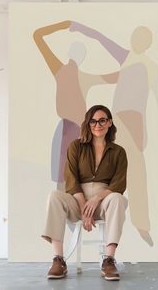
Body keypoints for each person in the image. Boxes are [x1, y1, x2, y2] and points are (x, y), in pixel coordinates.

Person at [70, 22, 158, 246]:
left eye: (142, 38)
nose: (137, 40)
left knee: (137, 172)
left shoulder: (151, 66)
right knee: (111, 166)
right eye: (136, 36)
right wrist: (80, 27)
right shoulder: (126, 57)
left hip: (134, 122)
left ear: (147, 43)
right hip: (116, 119)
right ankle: (98, 211)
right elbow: (101, 38)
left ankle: (142, 224)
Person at [42, 105, 128, 281]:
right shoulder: (76, 146)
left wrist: (97, 198)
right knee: (54, 196)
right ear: (88, 124)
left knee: (118, 198)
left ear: (110, 122)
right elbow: (71, 180)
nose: (98, 125)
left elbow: (118, 183)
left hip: (104, 202)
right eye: (93, 121)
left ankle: (109, 260)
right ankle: (58, 259)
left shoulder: (119, 152)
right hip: (78, 200)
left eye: (102, 120)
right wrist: (84, 209)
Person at [33, 21, 119, 189]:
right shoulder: (77, 75)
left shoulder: (63, 71)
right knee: (66, 178)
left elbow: (38, 36)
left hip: (76, 132)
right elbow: (113, 77)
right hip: (69, 130)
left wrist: (63, 25)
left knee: (72, 179)